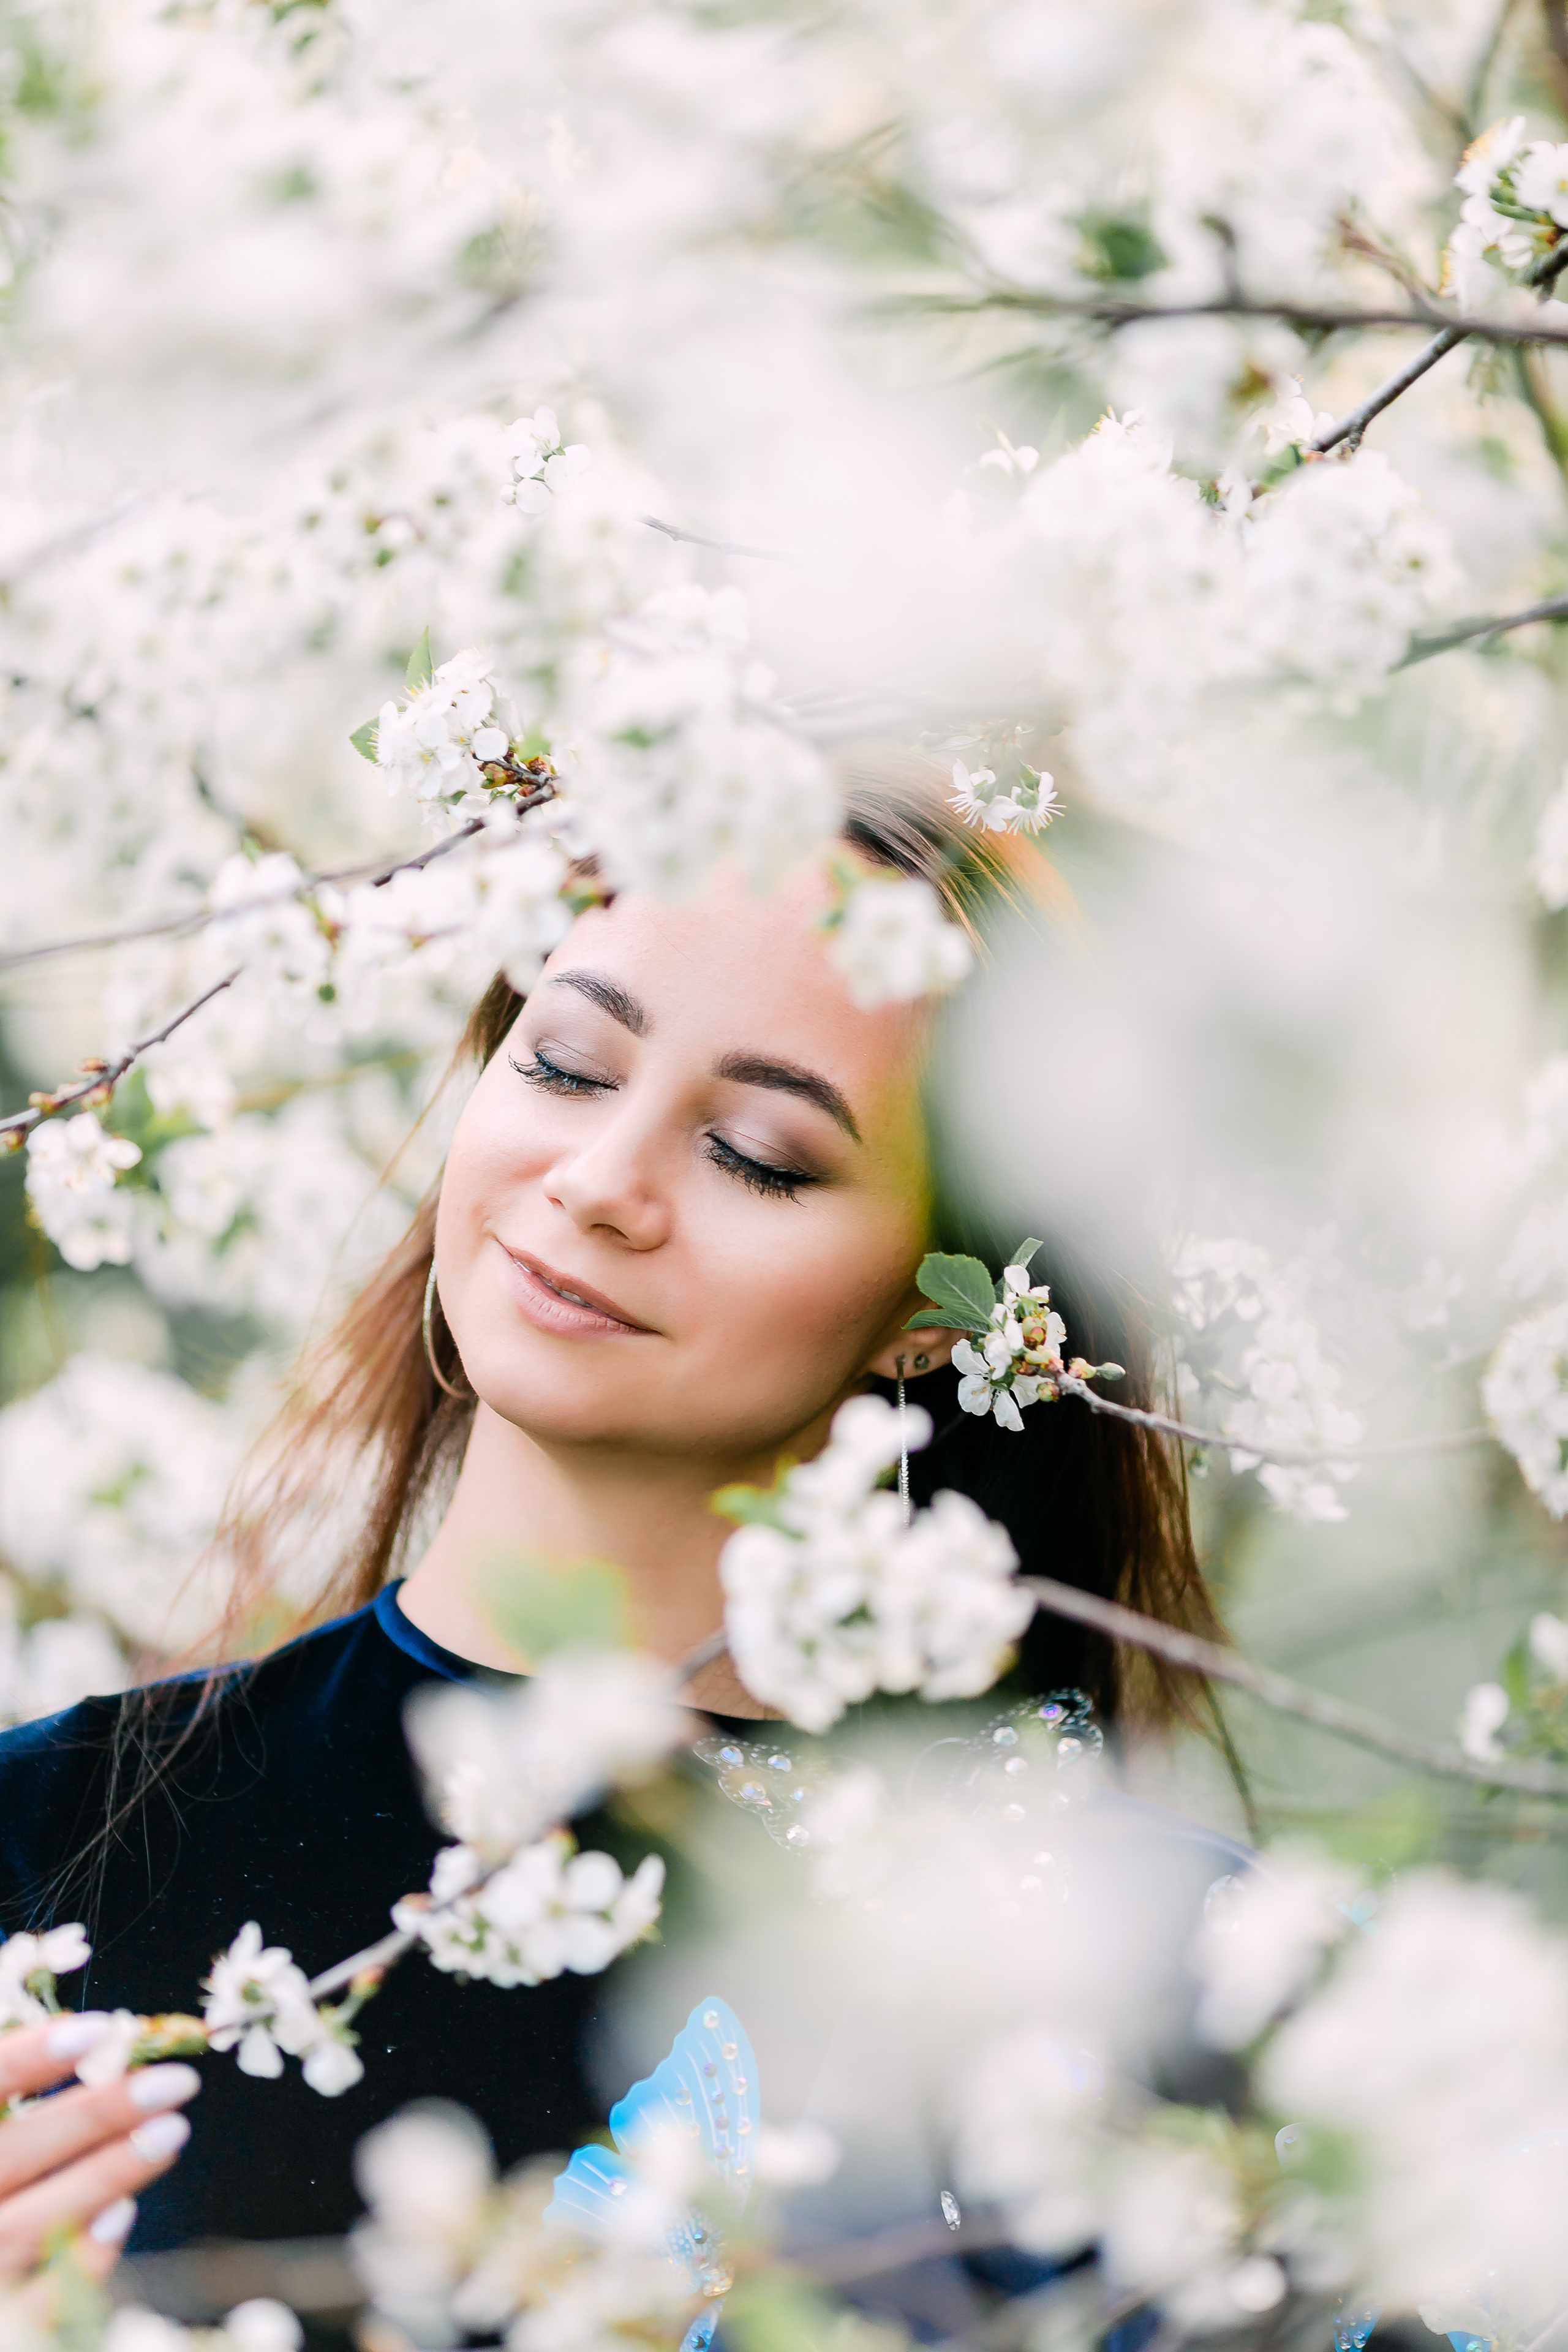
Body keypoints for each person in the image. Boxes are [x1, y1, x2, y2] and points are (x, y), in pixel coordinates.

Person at [0, 753, 1224, 2302]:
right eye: (568, 1066)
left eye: (758, 1157)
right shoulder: (45, 1861)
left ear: (943, 1314)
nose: (599, 1184)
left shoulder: (1136, 1979)